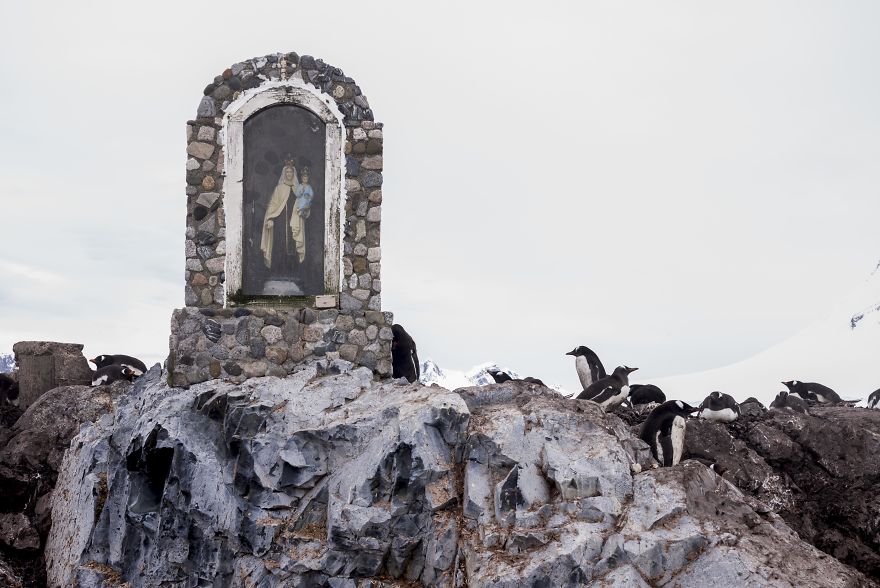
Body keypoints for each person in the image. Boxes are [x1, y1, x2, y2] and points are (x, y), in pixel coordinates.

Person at [260, 162, 298, 268]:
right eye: (287, 171)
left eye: (291, 171)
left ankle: (293, 270)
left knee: (294, 243)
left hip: (294, 221)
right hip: (280, 221)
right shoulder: (279, 188)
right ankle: (279, 269)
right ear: (284, 173)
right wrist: (271, 218)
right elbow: (273, 204)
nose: (289, 174)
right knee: (280, 243)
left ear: (294, 173)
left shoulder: (297, 189)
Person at [290, 166, 314, 264]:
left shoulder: (309, 187)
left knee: (302, 228)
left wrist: (307, 196)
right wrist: (301, 190)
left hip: (305, 205)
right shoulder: (300, 186)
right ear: (301, 178)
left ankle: (302, 252)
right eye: (303, 177)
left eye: (306, 178)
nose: (305, 179)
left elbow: (311, 196)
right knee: (297, 224)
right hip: (298, 204)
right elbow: (297, 194)